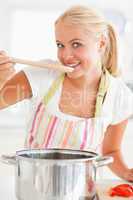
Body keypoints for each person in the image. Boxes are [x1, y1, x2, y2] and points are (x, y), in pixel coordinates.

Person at [0, 5, 133, 182]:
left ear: (100, 43)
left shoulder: (120, 96)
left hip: (84, 190)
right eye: (60, 45)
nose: (65, 54)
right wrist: (2, 79)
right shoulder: (40, 76)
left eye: (76, 44)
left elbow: (111, 152)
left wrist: (127, 173)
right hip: (35, 189)